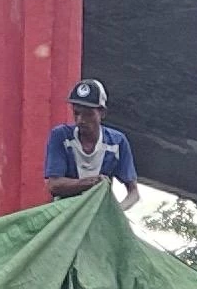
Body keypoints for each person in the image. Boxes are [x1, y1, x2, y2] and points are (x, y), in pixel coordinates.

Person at [42, 76, 140, 204]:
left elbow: (133, 193)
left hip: (97, 215)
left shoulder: (117, 142)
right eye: (76, 113)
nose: (80, 120)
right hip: (65, 214)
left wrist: (118, 212)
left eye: (88, 114)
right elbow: (53, 184)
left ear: (102, 113)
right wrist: (90, 182)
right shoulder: (61, 136)